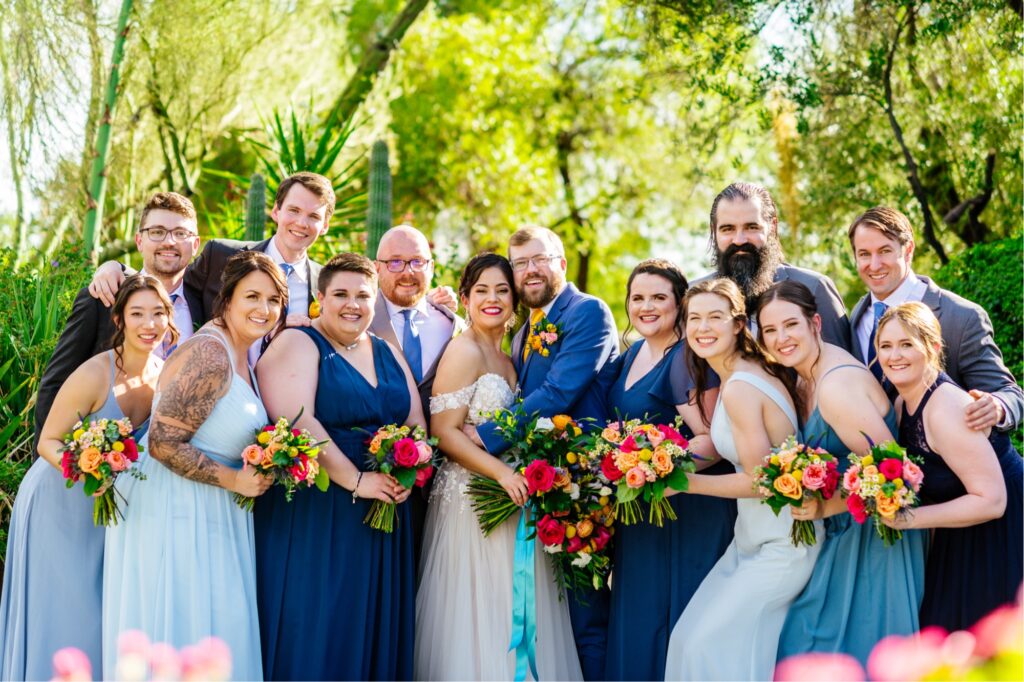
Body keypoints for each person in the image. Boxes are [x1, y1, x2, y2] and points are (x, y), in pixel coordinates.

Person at [102, 252, 285, 680]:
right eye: (252, 296)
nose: (264, 309)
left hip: (210, 507)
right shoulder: (211, 353)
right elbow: (164, 443)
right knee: (182, 629)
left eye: (273, 299)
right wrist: (235, 478)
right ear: (227, 299)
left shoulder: (244, 353)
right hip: (175, 508)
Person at [254, 252, 422, 680]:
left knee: (371, 620)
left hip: (385, 506)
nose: (353, 304)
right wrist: (357, 479)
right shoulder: (300, 343)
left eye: (363, 295)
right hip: (321, 507)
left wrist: (413, 465)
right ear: (320, 299)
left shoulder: (385, 349)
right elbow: (296, 419)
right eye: (341, 294)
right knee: (321, 618)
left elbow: (415, 420)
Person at [415, 253, 581, 681]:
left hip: (511, 501)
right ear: (465, 298)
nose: (493, 299)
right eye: (482, 291)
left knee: (514, 605)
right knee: (477, 611)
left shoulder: (510, 356)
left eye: (502, 290)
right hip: (472, 499)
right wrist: (503, 474)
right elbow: (445, 433)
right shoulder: (464, 350)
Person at [463, 226, 618, 681]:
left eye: (539, 259)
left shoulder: (588, 312)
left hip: (582, 483)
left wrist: (489, 433)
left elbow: (559, 390)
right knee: (552, 613)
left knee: (585, 613)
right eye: (520, 263)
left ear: (561, 264)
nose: (529, 270)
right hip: (541, 483)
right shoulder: (525, 328)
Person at [0, 275, 175, 680]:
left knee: (101, 612)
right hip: (59, 501)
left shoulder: (165, 375)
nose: (149, 324)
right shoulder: (94, 373)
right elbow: (48, 441)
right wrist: (90, 471)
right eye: (137, 314)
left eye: (158, 313)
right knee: (67, 609)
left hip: (111, 510)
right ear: (119, 319)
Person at [757, 281, 926, 666]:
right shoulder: (802, 375)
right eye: (770, 330)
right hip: (845, 532)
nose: (781, 338)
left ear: (815, 322)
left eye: (791, 325)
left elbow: (895, 477)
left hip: (873, 542)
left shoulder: (836, 386)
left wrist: (823, 508)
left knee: (829, 651)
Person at [663, 278, 821, 681]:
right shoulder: (739, 375)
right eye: (694, 318)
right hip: (751, 539)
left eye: (715, 317)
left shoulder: (740, 387)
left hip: (783, 543)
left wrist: (684, 483)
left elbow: (761, 481)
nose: (702, 328)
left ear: (737, 324)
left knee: (704, 648)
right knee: (688, 641)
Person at [603, 259, 737, 682]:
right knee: (642, 621)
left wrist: (656, 473)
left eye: (659, 297)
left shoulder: (686, 358)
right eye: (637, 298)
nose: (646, 307)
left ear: (679, 304)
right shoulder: (633, 355)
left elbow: (714, 440)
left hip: (685, 513)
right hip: (643, 512)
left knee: (676, 622)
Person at [877, 302, 1022, 632]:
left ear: (932, 348)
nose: (894, 355)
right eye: (885, 346)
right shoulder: (901, 401)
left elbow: (992, 501)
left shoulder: (946, 409)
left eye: (906, 344)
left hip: (1005, 528)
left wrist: (907, 519)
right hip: (960, 531)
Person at [34, 192, 202, 451]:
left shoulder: (207, 302)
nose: (169, 241)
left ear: (196, 244)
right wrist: (49, 459)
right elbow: (56, 382)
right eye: (157, 231)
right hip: (94, 469)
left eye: (181, 233)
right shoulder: (102, 298)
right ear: (139, 240)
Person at [847, 206, 1022, 431]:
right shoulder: (856, 317)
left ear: (908, 250)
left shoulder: (962, 317)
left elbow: (1009, 393)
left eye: (885, 251)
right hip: (881, 462)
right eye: (864, 254)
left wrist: (998, 406)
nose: (874, 264)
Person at [369, 224, 464, 562]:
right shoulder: (358, 319)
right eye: (395, 263)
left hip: (441, 487)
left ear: (432, 267)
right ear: (377, 267)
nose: (407, 272)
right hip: (374, 480)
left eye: (417, 262)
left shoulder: (454, 326)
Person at [694, 181, 850, 348]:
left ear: (772, 227)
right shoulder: (692, 298)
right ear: (714, 231)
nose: (739, 240)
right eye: (728, 229)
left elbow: (844, 366)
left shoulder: (814, 288)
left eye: (751, 227)